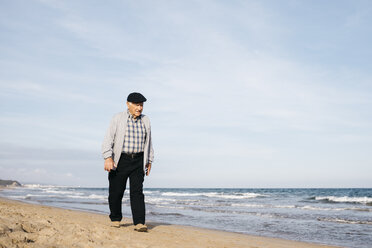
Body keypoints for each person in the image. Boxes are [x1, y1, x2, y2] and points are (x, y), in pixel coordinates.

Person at [102, 92, 154, 232]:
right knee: (116, 191)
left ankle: (139, 223)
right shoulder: (117, 118)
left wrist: (149, 160)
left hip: (138, 160)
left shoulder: (146, 120)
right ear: (128, 104)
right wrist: (108, 157)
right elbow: (108, 139)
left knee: (137, 192)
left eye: (141, 105)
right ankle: (115, 219)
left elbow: (149, 142)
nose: (140, 108)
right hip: (120, 160)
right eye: (137, 105)